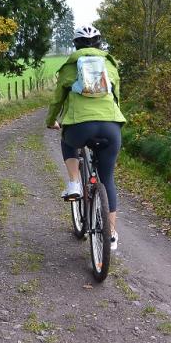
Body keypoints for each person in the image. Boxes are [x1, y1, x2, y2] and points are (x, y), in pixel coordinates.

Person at [46, 25, 126, 249]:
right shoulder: (110, 64)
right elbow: (117, 96)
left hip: (80, 127)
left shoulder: (70, 66)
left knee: (67, 138)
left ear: (76, 46)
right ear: (99, 44)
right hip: (111, 126)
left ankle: (74, 183)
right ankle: (111, 234)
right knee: (107, 178)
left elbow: (57, 100)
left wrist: (51, 121)